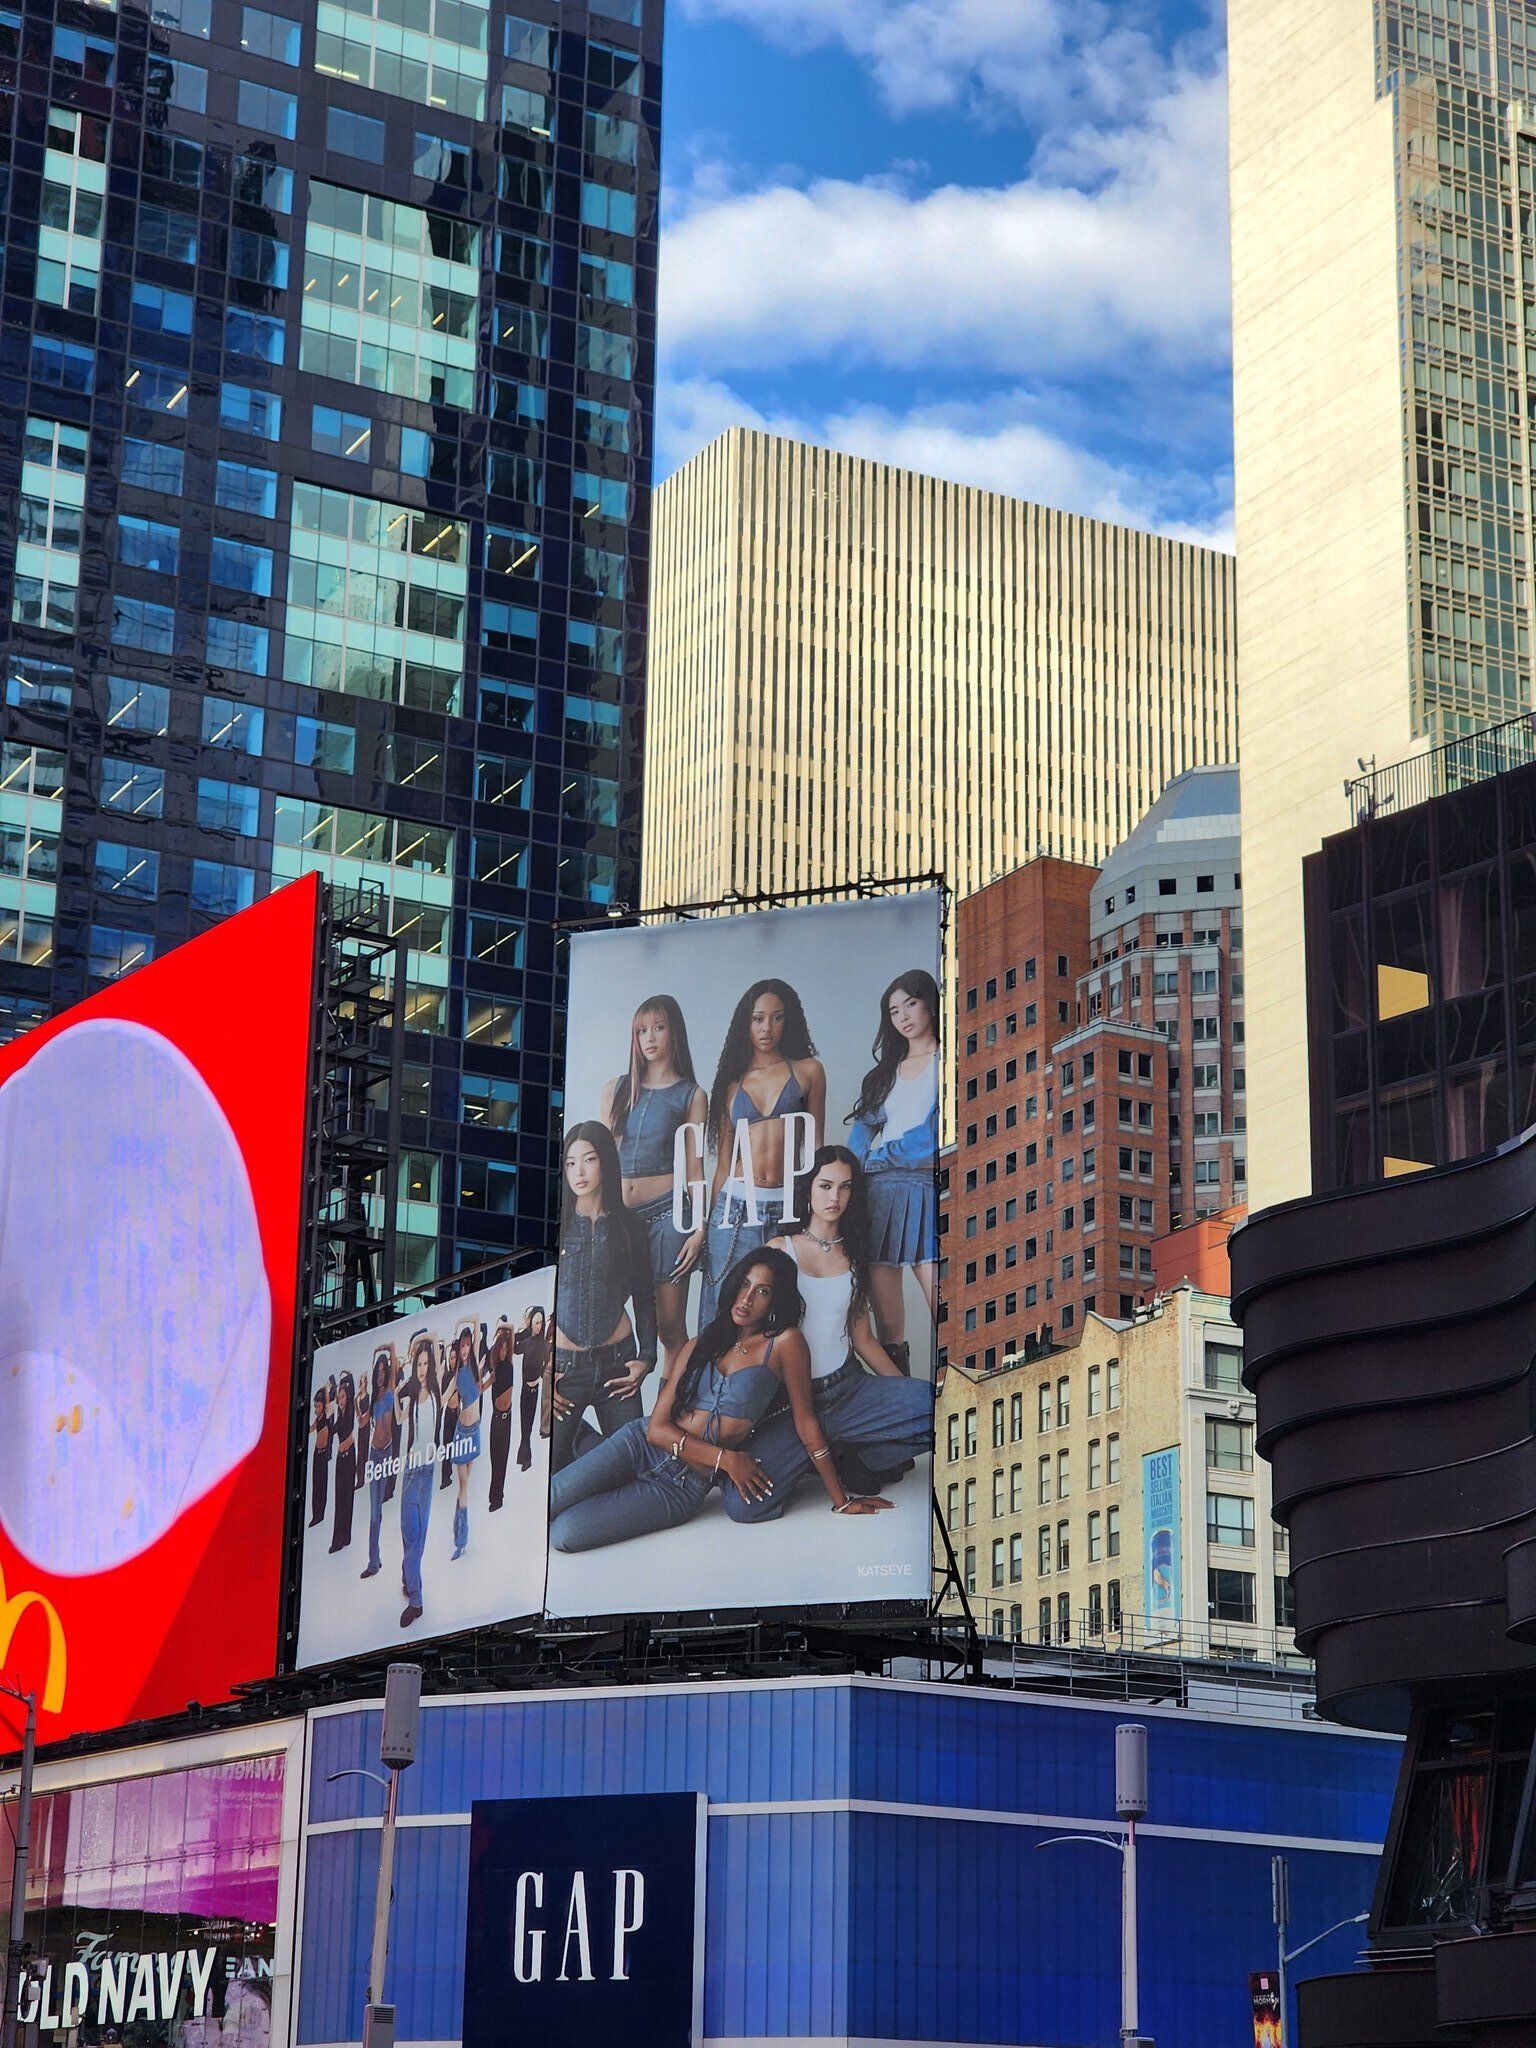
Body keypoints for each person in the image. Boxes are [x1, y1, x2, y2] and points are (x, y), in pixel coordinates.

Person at [548, 1251, 810, 1552]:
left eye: (762, 1291)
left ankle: (585, 1443)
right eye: (744, 1284)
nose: (747, 1299)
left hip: (680, 1488)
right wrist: (726, 1459)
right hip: (640, 1445)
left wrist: (837, 1498)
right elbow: (656, 1430)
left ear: (776, 1300)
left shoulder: (783, 1344)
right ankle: (583, 1442)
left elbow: (804, 1417)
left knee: (564, 1534)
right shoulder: (699, 1345)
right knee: (552, 1500)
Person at [725, 1145, 933, 1520]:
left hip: (847, 1389)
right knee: (744, 1507)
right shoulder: (780, 1250)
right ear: (809, 1188)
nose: (834, 1197)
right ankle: (820, 1454)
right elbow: (749, 1332)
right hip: (794, 1403)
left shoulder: (854, 1257)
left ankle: (854, 1454)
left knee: (940, 1411)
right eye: (825, 1185)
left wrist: (903, 1394)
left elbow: (863, 1339)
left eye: (844, 1187)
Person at [701, 979, 825, 1320]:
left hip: (786, 1208)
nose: (766, 1028)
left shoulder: (809, 1071)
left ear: (788, 1021)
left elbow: (817, 1149)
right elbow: (724, 1164)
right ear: (746, 1023)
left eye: (776, 1018)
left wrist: (815, 1213)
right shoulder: (732, 1084)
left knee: (780, 1312)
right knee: (723, 1307)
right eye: (758, 1019)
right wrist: (706, 1225)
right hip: (735, 1207)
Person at [600, 995, 708, 1372]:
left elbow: (695, 1168)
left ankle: (668, 1403)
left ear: (673, 1032)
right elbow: (602, 1162)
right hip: (621, 1217)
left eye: (658, 1028)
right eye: (642, 1030)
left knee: (669, 1329)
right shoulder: (615, 1089)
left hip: (668, 1215)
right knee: (605, 1316)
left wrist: (700, 1228)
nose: (649, 1037)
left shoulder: (691, 1095)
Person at [846, 969, 941, 1369]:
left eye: (911, 1004)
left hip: (926, 1189)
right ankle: (899, 1399)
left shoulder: (950, 1061)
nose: (903, 1016)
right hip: (877, 1196)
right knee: (888, 1329)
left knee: (946, 1308)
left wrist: (883, 1155)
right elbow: (859, 1139)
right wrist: (849, 1175)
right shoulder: (885, 1073)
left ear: (929, 1004)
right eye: (894, 1010)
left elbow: (932, 1137)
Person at [550, 1121, 658, 1471]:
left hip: (617, 1364)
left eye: (589, 1159)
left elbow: (644, 1297)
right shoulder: (556, 1226)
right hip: (564, 1370)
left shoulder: (629, 1225)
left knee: (634, 1466)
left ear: (606, 1162)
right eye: (570, 1163)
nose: (578, 1172)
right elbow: (532, 1301)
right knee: (549, 1475)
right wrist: (540, 1371)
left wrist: (647, 1359)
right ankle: (585, 1447)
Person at [396, 1331, 440, 1629]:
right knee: (410, 1534)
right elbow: (400, 1420)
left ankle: (409, 1580)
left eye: (426, 1363)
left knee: (419, 1537)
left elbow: (433, 1338)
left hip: (428, 1470)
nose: (422, 1368)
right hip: (412, 1471)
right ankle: (415, 1598)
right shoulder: (411, 1394)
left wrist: (419, 1341)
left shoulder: (435, 1389)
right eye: (418, 1363)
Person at [448, 1321, 484, 1559]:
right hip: (462, 1433)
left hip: (475, 1431)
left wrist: (464, 1325)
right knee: (463, 1486)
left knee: (465, 1487)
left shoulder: (474, 1365)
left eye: (467, 1345)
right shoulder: (456, 1374)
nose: (465, 1349)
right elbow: (445, 1398)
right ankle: (462, 1540)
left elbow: (476, 1322)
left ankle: (457, 1531)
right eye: (462, 1345)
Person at [361, 1346, 397, 1579]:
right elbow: (363, 1422)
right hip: (374, 1455)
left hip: (387, 1452)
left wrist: (380, 1349)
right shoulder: (374, 1396)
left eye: (384, 1370)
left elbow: (393, 1350)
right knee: (375, 1511)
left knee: (380, 1508)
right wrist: (360, 1402)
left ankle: (377, 1557)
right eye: (379, 1371)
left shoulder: (391, 1387)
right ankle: (373, 1561)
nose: (381, 1375)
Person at [485, 1318, 518, 1510]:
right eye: (501, 1349)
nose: (504, 1352)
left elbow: (511, 1328)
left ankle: (499, 1497)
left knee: (503, 1459)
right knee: (495, 1460)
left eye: (506, 1348)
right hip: (497, 1419)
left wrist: (500, 1328)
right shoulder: (495, 1370)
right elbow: (481, 1388)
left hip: (508, 1418)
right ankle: (494, 1496)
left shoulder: (510, 1362)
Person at [514, 1304, 549, 1472]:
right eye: (536, 1322)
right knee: (525, 1426)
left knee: (528, 1426)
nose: (539, 1326)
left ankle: (524, 1458)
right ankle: (525, 1458)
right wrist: (521, 1330)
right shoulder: (526, 1342)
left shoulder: (544, 1343)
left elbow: (546, 1363)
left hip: (536, 1390)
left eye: (541, 1322)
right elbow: (514, 1348)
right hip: (525, 1390)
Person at [329, 1373, 357, 1553]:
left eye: (343, 1396)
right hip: (341, 1459)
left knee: (348, 1497)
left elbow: (351, 1383)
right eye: (339, 1397)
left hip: (350, 1456)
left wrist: (341, 1380)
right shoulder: (339, 1415)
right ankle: (338, 1539)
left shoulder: (351, 1410)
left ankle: (345, 1537)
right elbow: (333, 1430)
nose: (340, 1400)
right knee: (340, 1499)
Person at [308, 1389, 331, 1528]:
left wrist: (323, 1390)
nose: (317, 1409)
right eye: (315, 1406)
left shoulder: (327, 1416)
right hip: (316, 1453)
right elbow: (311, 1429)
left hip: (323, 1454)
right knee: (316, 1484)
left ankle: (320, 1514)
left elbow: (327, 1395)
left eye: (319, 1406)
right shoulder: (317, 1420)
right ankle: (315, 1514)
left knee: (322, 1483)